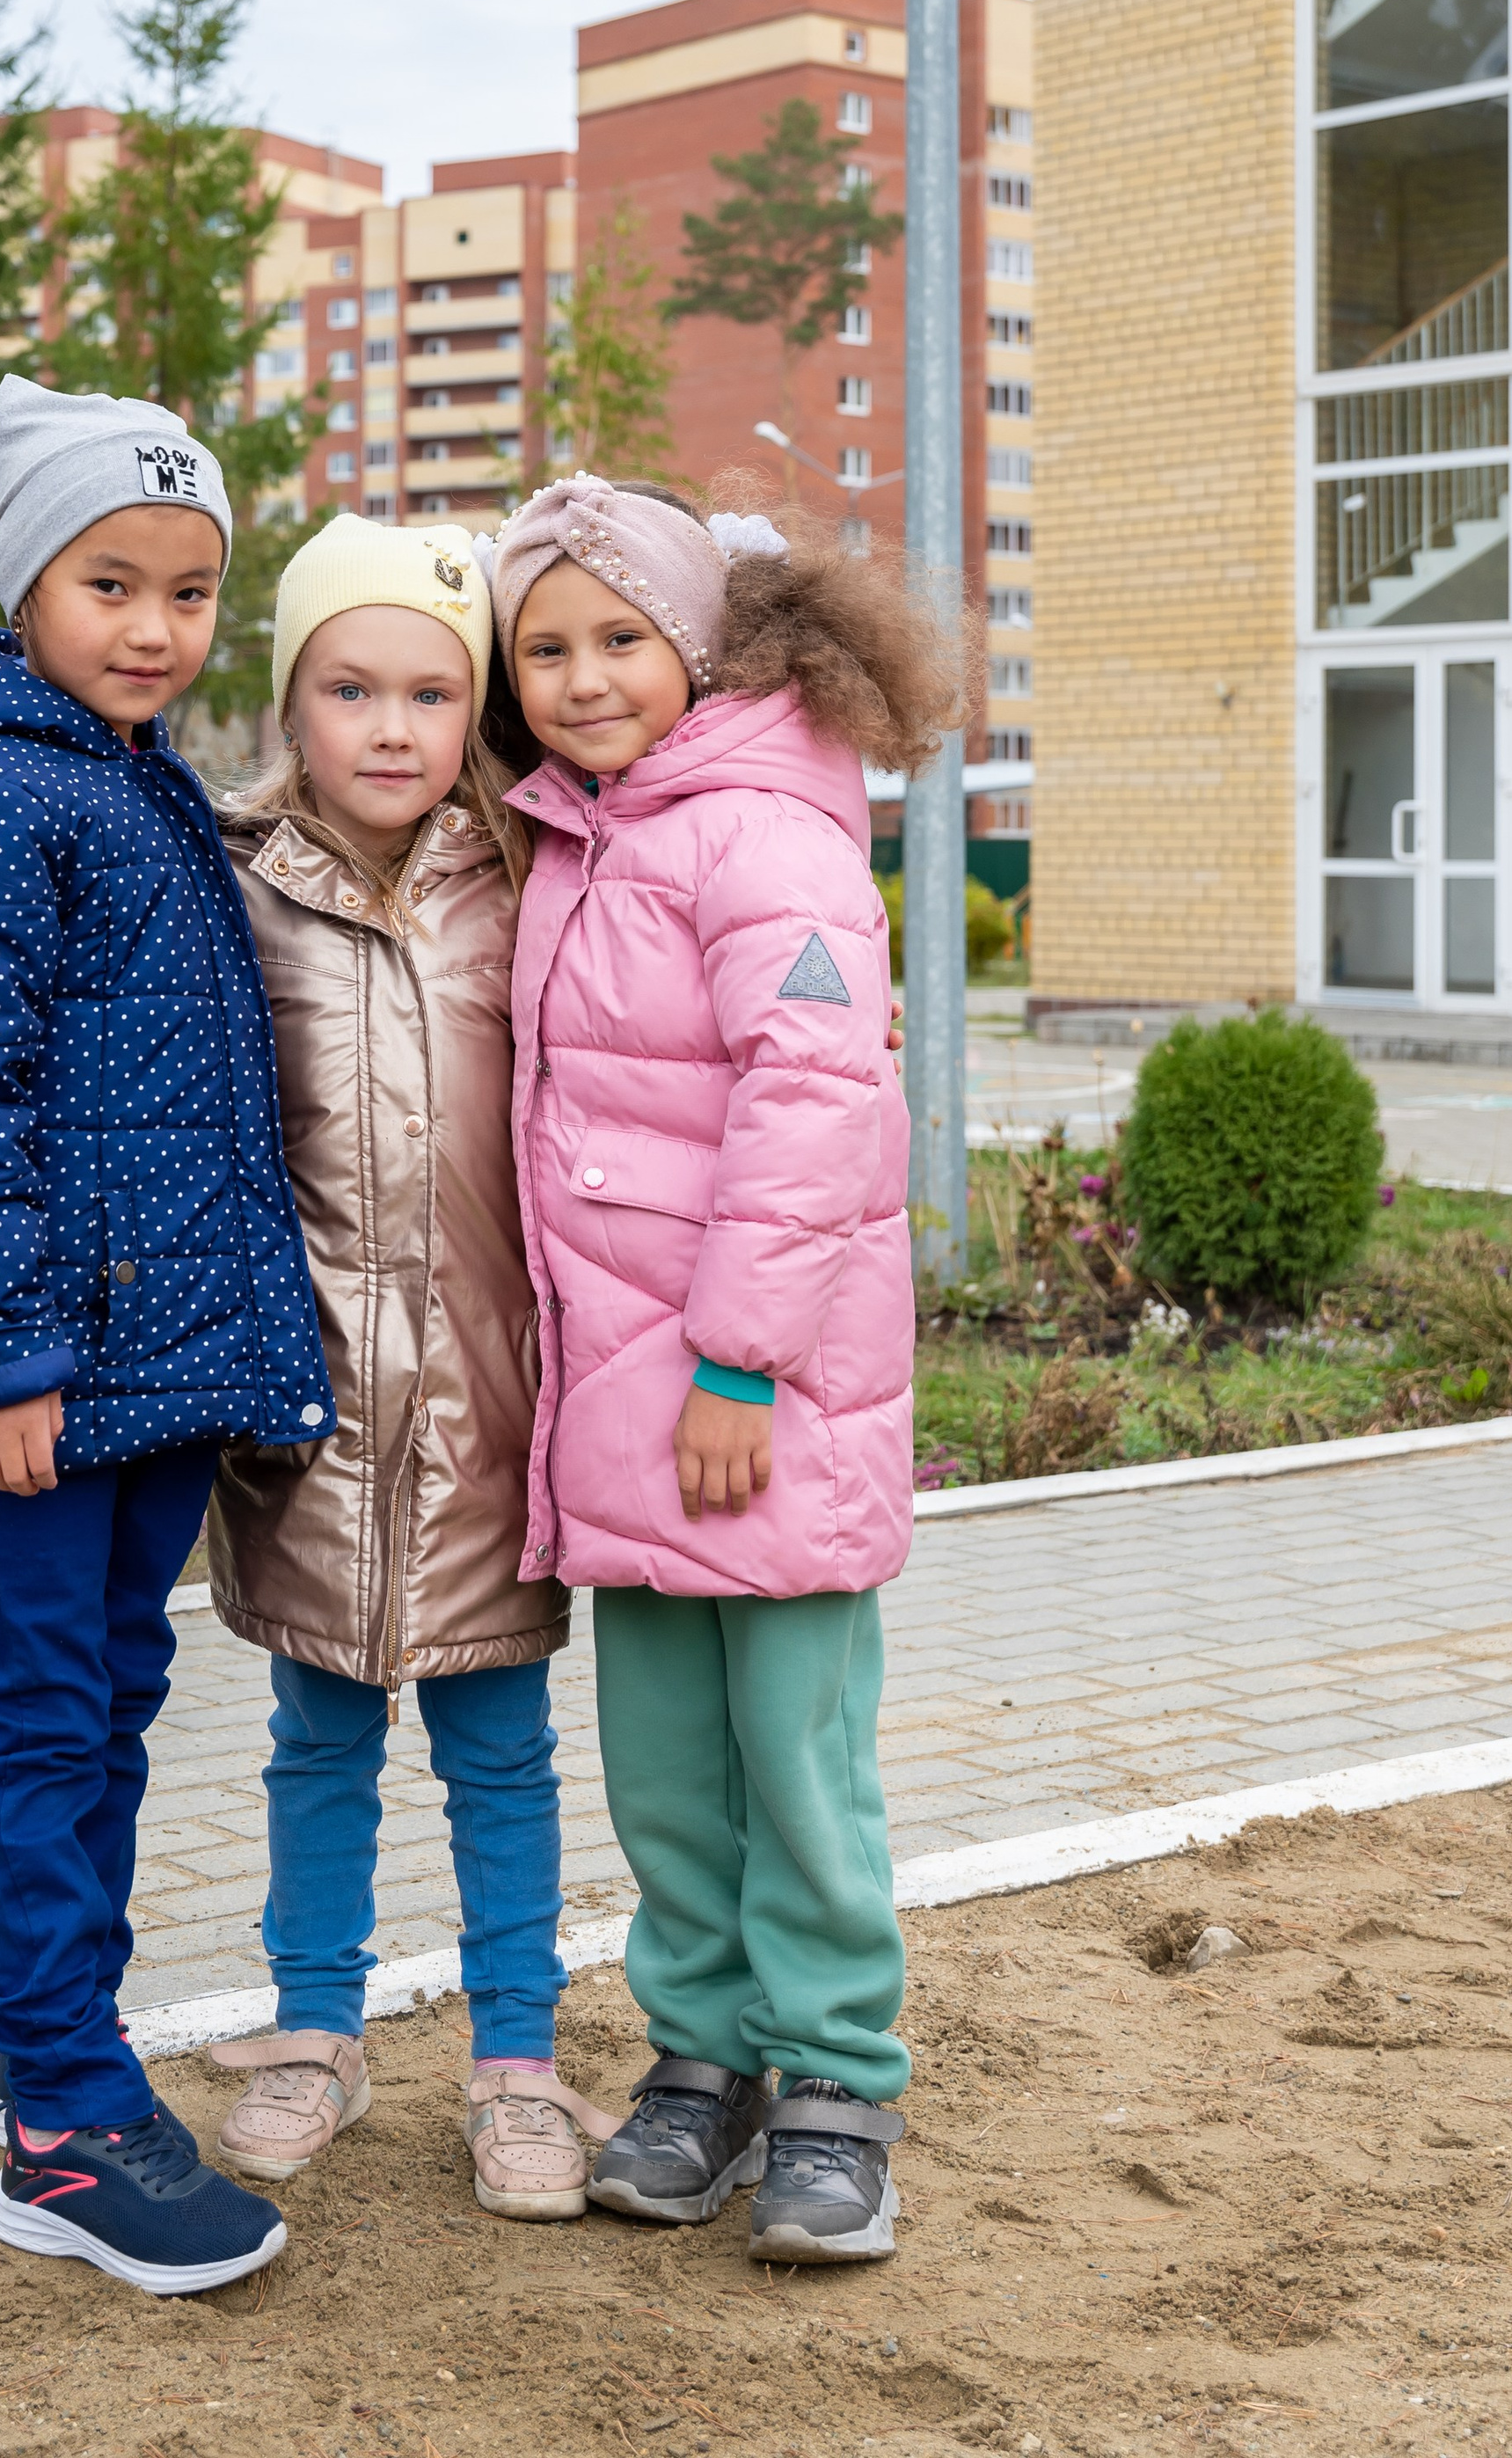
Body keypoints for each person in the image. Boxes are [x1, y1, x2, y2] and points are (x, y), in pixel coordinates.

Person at [0, 378, 336, 2299]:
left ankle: (57, 2054)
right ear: (25, 585)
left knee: (105, 1713)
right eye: (109, 581)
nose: (152, 625)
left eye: (190, 590)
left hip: (139, 1371)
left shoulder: (114, 774)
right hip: (46, 1379)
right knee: (42, 1728)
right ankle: (60, 2125)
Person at [491, 472, 961, 2265]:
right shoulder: (580, 832)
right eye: (543, 645)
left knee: (796, 1758)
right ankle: (703, 2057)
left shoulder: (763, 831)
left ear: (698, 647)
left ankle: (837, 2075)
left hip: (752, 1402)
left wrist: (740, 1367)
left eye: (618, 637)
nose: (583, 673)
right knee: (669, 1771)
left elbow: (815, 1102)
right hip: (626, 1405)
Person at [204, 514, 617, 2221]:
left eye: (430, 692)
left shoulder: (527, 876)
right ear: (292, 697)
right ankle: (313, 2025)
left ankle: (515, 2058)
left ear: (473, 711)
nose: (390, 727)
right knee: (315, 1736)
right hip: (302, 1411)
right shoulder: (226, 872)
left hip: (489, 1405)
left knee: (501, 1748)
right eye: (349, 687)